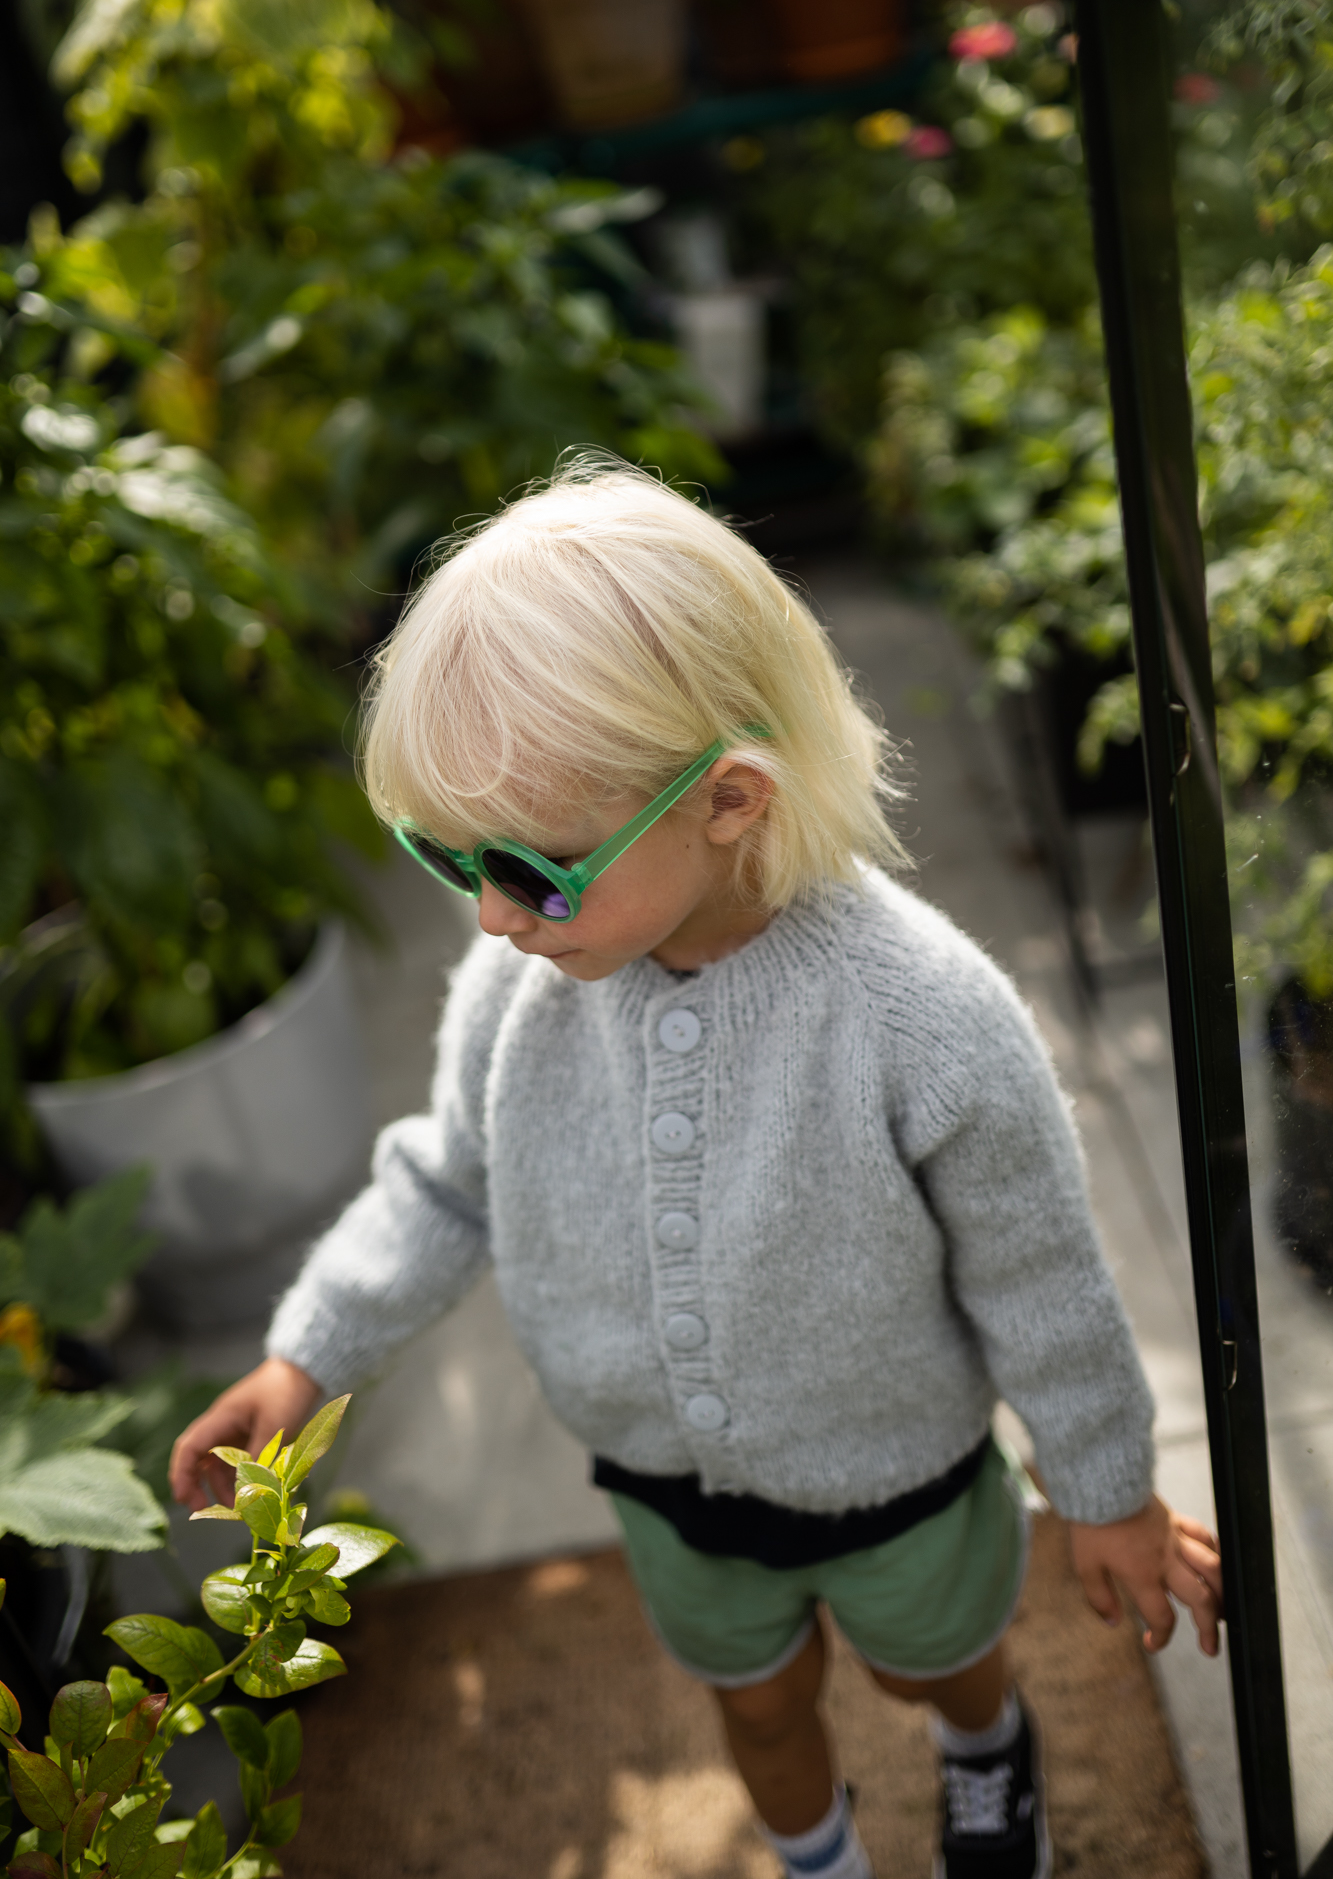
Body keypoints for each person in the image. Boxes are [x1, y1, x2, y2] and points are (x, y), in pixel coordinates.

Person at [171, 457, 1222, 1879]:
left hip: (898, 1476)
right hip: (665, 1494)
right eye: (445, 857)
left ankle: (985, 1753)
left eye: (535, 870)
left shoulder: (921, 1015)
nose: (489, 915)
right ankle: (817, 1857)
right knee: (758, 1699)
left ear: (727, 800)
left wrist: (1103, 1488)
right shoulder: (519, 992)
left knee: (934, 1669)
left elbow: (1034, 1268)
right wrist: (309, 1356)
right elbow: (442, 1180)